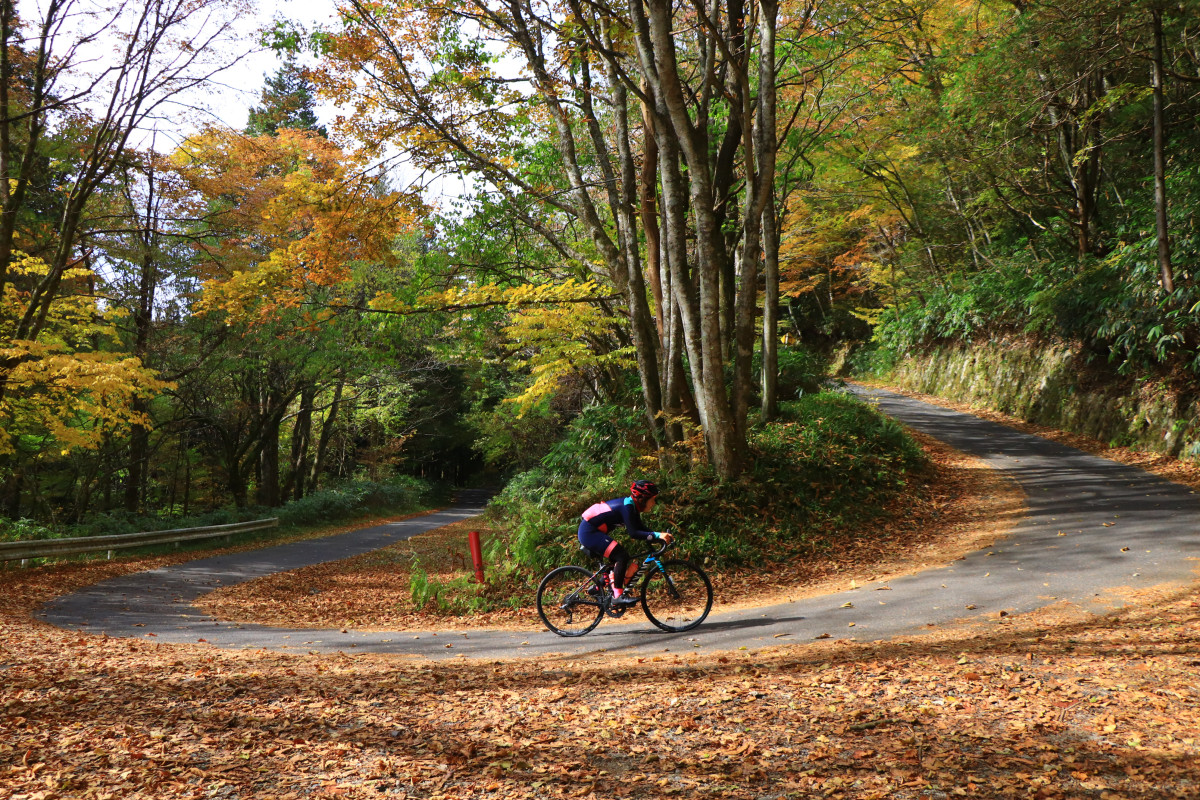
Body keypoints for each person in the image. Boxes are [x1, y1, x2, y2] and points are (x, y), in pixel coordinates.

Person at [577, 479, 673, 606]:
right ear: (642, 498)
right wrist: (657, 535)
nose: (654, 503)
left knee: (617, 560)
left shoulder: (632, 507)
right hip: (589, 532)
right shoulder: (626, 507)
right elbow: (633, 533)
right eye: (652, 499)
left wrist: (659, 537)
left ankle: (598, 587)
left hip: (593, 531)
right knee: (621, 556)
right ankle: (617, 596)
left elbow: (641, 528)